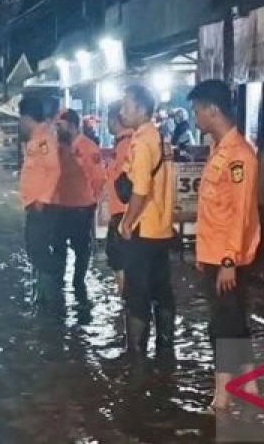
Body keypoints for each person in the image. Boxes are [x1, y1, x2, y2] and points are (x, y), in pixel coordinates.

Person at [188, 79, 262, 412]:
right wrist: (205, 255)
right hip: (215, 253)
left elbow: (242, 211)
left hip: (227, 257)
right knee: (232, 319)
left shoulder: (239, 156)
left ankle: (223, 396)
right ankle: (251, 385)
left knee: (222, 324)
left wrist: (229, 260)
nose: (195, 118)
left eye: (197, 110)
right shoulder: (219, 150)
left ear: (212, 110)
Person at [118, 84, 176, 359]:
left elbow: (140, 189)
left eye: (126, 106)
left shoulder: (141, 142)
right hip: (162, 228)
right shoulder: (160, 138)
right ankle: (166, 348)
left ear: (141, 109)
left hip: (144, 227)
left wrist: (127, 222)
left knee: (137, 293)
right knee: (162, 290)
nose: (121, 111)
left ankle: (136, 355)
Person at [18, 95, 65, 313]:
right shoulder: (34, 137)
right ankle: (44, 295)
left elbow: (54, 170)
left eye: (21, 118)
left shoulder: (44, 137)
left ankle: (51, 299)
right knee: (34, 249)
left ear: (28, 117)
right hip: (34, 204)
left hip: (42, 206)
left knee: (38, 250)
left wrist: (42, 200)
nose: (20, 123)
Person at [53, 110, 106, 294]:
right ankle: (58, 283)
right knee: (58, 246)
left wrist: (91, 201)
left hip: (82, 208)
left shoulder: (88, 147)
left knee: (81, 248)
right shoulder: (57, 148)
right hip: (60, 206)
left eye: (60, 125)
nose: (57, 129)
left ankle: (78, 283)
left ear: (72, 126)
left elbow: (99, 179)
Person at [104, 100, 134, 296]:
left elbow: (129, 184)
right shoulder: (123, 144)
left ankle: (128, 305)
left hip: (125, 216)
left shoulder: (127, 145)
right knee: (117, 259)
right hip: (121, 214)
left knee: (122, 262)